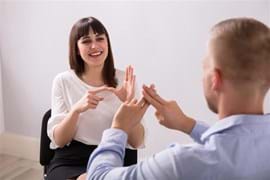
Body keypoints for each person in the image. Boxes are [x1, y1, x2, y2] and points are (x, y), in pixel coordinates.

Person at [86, 17, 270, 180]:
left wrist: (118, 128)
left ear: (215, 79)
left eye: (204, 67)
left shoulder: (183, 163)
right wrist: (187, 124)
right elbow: (235, 144)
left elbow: (98, 177)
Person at [46, 17, 146, 180]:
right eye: (86, 41)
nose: (94, 46)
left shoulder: (124, 80)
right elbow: (60, 140)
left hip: (115, 155)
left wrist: (127, 104)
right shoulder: (63, 81)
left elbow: (136, 142)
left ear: (107, 43)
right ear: (77, 48)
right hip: (72, 159)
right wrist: (76, 110)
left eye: (100, 38)